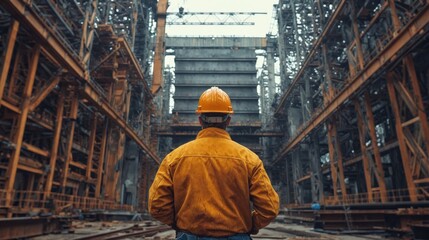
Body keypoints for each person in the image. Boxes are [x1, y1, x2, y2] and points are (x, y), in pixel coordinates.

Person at [149, 87, 279, 239]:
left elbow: (157, 205)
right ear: (228, 121)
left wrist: (179, 223)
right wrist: (250, 225)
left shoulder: (174, 158)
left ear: (200, 120)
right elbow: (269, 208)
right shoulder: (249, 159)